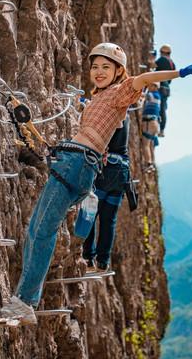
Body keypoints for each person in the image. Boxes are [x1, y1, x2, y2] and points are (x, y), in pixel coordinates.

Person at [0, 42, 192, 325]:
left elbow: (144, 79)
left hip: (77, 163)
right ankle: (25, 300)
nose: (99, 72)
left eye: (106, 67)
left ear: (118, 71)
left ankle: (24, 302)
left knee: (42, 231)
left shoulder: (119, 92)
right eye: (95, 67)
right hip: (74, 161)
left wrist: (180, 73)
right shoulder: (102, 98)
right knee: (36, 229)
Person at [82, 115, 131, 273]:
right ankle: (102, 262)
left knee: (90, 213)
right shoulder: (126, 115)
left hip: (107, 169)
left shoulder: (112, 114)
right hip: (122, 172)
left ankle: (88, 259)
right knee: (108, 220)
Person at [154, 44, 176, 137]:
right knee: (163, 108)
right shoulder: (172, 63)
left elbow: (155, 70)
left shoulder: (162, 60)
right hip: (167, 87)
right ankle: (161, 129)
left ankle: (159, 127)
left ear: (162, 52)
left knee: (159, 108)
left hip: (160, 86)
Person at [141, 81, 161, 171]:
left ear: (154, 86)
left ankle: (148, 164)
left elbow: (143, 96)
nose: (148, 87)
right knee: (151, 145)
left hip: (149, 122)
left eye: (150, 85)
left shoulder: (153, 95)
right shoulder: (158, 96)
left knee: (146, 144)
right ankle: (152, 163)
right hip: (155, 123)